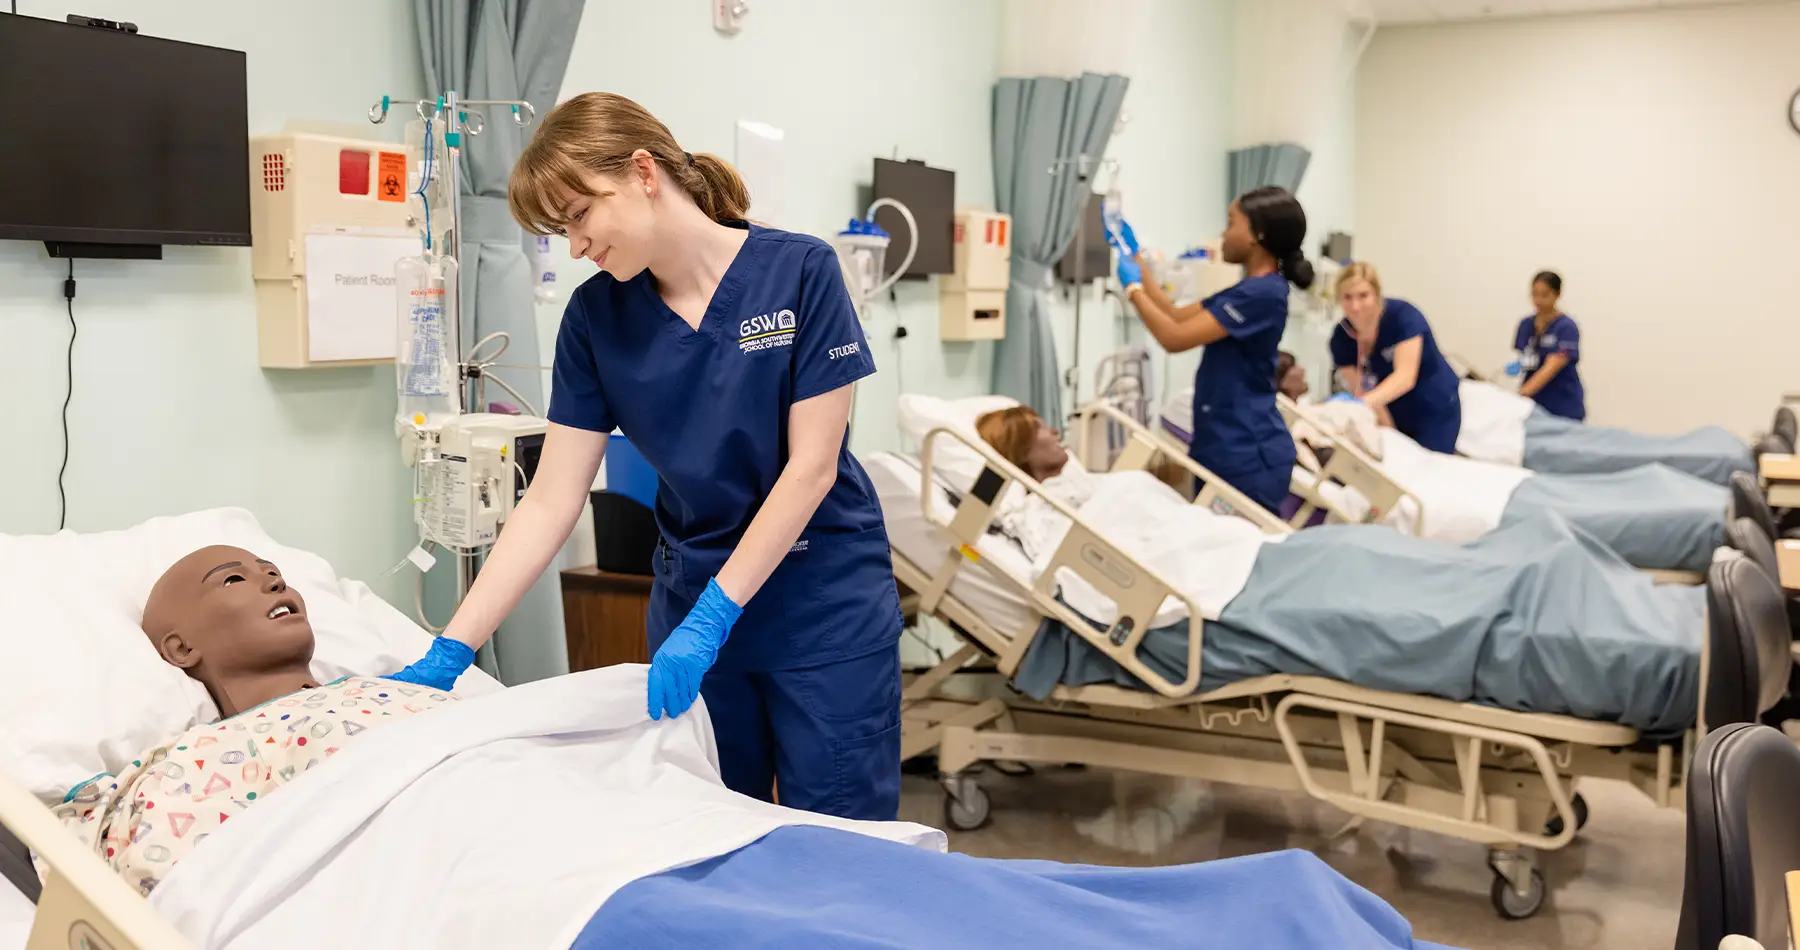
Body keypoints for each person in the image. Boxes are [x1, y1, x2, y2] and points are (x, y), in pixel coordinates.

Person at [388, 92, 903, 822]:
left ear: (642, 172)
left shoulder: (800, 273)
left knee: (845, 839)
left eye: (578, 215)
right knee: (715, 835)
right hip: (692, 603)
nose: (574, 246)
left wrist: (717, 614)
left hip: (820, 606)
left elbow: (813, 467)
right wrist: (453, 648)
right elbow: (552, 497)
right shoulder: (596, 318)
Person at [48, 546, 458, 895]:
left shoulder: (399, 691)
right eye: (232, 580)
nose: (276, 583)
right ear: (180, 648)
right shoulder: (188, 765)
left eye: (274, 573)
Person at [1109, 188, 1308, 512]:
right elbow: (1173, 314)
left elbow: (1174, 338)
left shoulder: (1262, 294)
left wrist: (1132, 289)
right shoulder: (1248, 290)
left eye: (1231, 224)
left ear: (1258, 234)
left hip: (1247, 451)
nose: (1222, 235)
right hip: (1224, 443)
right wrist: (1133, 257)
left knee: (1236, 553)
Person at [1328, 263, 1462, 454]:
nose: (1355, 306)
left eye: (1363, 295)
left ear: (1376, 294)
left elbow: (1405, 377)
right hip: (1391, 409)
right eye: (1347, 297)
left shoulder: (1403, 317)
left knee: (1430, 471)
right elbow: (1362, 389)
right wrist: (1392, 435)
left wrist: (1361, 405)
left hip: (1432, 408)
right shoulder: (1341, 338)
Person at [1512, 270, 1585, 421]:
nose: (1538, 300)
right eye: (1534, 294)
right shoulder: (1526, 325)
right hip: (1533, 404)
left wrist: (1520, 394)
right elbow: (1526, 357)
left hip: (1562, 405)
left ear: (1557, 294)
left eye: (1544, 295)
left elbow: (1552, 366)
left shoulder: (1566, 328)